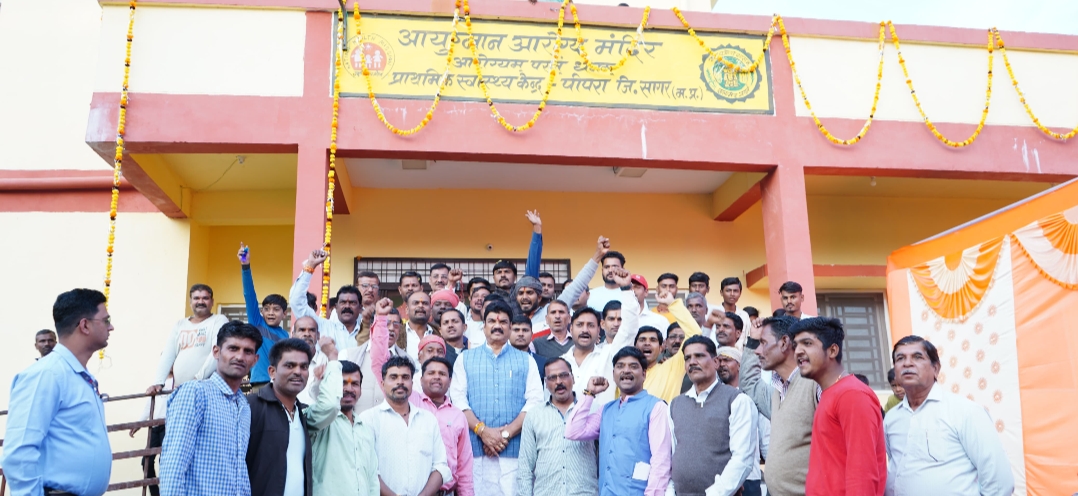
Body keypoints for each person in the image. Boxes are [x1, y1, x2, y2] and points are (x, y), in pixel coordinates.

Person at [3, 289, 113, 496]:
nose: (111, 327)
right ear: (85, 325)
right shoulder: (47, 375)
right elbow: (19, 453)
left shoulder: (77, 375)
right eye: (106, 320)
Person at [884, 335, 1013, 496]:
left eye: (917, 357)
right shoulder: (891, 419)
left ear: (936, 369)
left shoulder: (965, 412)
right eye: (900, 358)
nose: (907, 363)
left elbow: (999, 482)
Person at [449, 300, 544, 496]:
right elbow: (458, 400)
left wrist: (505, 434)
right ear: (483, 327)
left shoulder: (527, 360)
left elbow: (535, 401)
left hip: (515, 451)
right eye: (491, 321)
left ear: (510, 327)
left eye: (503, 322)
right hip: (476, 449)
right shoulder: (465, 359)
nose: (497, 326)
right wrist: (482, 431)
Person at [161, 320, 263, 495]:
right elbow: (173, 464)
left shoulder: (244, 407)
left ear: (255, 360)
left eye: (247, 351)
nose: (240, 357)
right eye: (233, 348)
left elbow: (239, 472)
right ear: (216, 351)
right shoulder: (195, 393)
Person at [792, 317, 885, 496]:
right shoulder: (831, 392)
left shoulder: (851, 394)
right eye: (795, 345)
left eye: (807, 343)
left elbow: (862, 474)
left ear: (833, 350)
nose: (798, 351)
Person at [565, 347, 673, 496]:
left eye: (633, 366)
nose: (626, 370)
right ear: (613, 374)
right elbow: (573, 431)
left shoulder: (656, 407)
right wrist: (589, 393)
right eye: (620, 366)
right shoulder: (606, 409)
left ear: (644, 374)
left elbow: (661, 460)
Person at [668, 336, 758, 496]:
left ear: (716, 362)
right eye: (687, 358)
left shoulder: (737, 400)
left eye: (699, 356)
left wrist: (715, 493)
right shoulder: (675, 404)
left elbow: (742, 459)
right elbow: (670, 456)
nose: (692, 362)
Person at [738, 316, 815, 496]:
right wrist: (752, 340)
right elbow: (749, 383)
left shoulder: (814, 385)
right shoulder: (777, 392)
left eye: (763, 343)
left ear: (784, 342)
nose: (758, 351)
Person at [360, 356, 452, 496]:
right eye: (393, 377)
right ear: (382, 383)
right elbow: (366, 469)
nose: (400, 382)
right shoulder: (369, 419)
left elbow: (441, 467)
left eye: (405, 377)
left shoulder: (428, 420)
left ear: (412, 383)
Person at [304, 338, 379, 496]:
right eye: (343, 382)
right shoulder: (321, 420)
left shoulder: (364, 428)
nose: (349, 389)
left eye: (355, 384)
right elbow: (329, 405)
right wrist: (332, 357)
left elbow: (372, 479)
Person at [517, 358, 599, 496]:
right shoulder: (534, 415)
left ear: (573, 378)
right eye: (552, 378)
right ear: (546, 383)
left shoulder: (593, 410)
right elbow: (525, 467)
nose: (559, 382)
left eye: (563, 375)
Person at [562, 268, 639, 409]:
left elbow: (629, 328)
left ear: (599, 329)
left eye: (591, 325)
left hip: (601, 422)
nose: (585, 330)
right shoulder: (561, 361)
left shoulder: (609, 354)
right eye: (580, 325)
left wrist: (626, 289)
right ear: (571, 329)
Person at [246, 338, 314, 496]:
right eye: (290, 365)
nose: (298, 372)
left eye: (303, 366)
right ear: (272, 371)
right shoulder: (250, 406)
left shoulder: (303, 412)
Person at [148, 284, 229, 394]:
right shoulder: (180, 324)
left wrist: (197, 379)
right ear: (190, 302)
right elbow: (168, 354)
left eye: (205, 298)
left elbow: (217, 352)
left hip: (207, 388)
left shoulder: (219, 320)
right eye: (196, 298)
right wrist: (158, 382)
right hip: (181, 390)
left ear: (212, 302)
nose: (200, 302)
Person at [416, 356, 475, 496]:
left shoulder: (458, 416)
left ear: (450, 381)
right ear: (421, 379)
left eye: (442, 374)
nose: (437, 377)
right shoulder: (410, 404)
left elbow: (464, 466)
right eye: (431, 373)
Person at [714, 346, 769, 496]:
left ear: (739, 365)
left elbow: (766, 439)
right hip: (719, 479)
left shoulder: (754, 395)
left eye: (727, 360)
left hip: (749, 477)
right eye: (719, 361)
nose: (722, 364)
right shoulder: (712, 398)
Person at [237, 243, 291, 391]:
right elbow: (249, 294)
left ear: (285, 314)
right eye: (267, 309)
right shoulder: (257, 324)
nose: (271, 313)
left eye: (276, 309)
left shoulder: (286, 335)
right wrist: (245, 266)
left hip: (281, 385)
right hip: (260, 384)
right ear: (261, 312)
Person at [289, 249, 364, 350]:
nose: (347, 306)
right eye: (343, 302)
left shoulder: (368, 333)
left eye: (352, 303)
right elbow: (296, 301)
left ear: (360, 308)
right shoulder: (321, 326)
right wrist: (310, 265)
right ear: (336, 307)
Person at [342, 305, 412, 413]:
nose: (391, 328)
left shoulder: (407, 360)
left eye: (396, 324)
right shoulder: (349, 355)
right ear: (373, 326)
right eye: (386, 323)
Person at [637, 292, 704, 402]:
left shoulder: (673, 367)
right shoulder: (627, 372)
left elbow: (695, 333)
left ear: (662, 347)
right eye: (642, 340)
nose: (647, 343)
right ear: (635, 346)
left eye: (653, 340)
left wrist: (672, 303)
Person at [293, 316, 326, 405]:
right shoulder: (284, 361)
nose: (307, 334)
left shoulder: (327, 361)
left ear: (318, 335)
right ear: (293, 335)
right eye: (302, 330)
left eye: (311, 330)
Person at [717, 277, 752, 350]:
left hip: (738, 356)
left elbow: (746, 341)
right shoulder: (713, 313)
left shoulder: (744, 315)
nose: (732, 294)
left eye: (735, 291)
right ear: (721, 292)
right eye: (728, 290)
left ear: (740, 293)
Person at [510, 315, 547, 382]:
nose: (521, 334)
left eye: (525, 330)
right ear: (508, 333)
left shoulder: (543, 363)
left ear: (531, 335)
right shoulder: (499, 361)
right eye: (516, 330)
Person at [403, 290, 435, 361]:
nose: (420, 306)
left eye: (425, 303)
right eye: (416, 303)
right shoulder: (397, 335)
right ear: (407, 310)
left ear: (431, 310)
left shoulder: (439, 334)